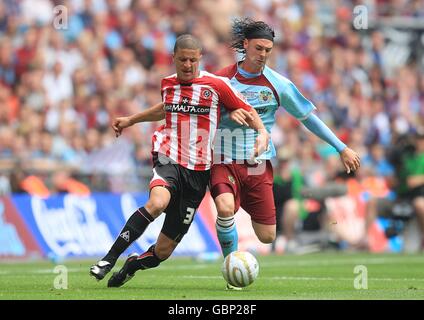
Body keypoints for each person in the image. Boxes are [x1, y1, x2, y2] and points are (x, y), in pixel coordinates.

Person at [133, 19, 361, 290]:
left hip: (257, 166)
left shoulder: (279, 85)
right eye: (259, 48)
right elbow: (180, 104)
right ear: (245, 46)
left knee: (267, 236)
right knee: (226, 208)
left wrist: (341, 147)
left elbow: (308, 118)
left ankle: (238, 242)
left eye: (268, 50)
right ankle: (232, 266)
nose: (263, 54)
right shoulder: (221, 80)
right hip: (222, 160)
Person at [89, 34, 269, 287]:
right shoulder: (168, 83)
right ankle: (108, 258)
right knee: (157, 202)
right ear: (173, 58)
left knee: (162, 252)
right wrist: (132, 120)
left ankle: (132, 264)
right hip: (168, 156)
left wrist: (262, 133)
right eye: (183, 60)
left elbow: (247, 110)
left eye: (192, 60)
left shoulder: (216, 85)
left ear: (200, 59)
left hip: (198, 173)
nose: (187, 65)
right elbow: (166, 107)